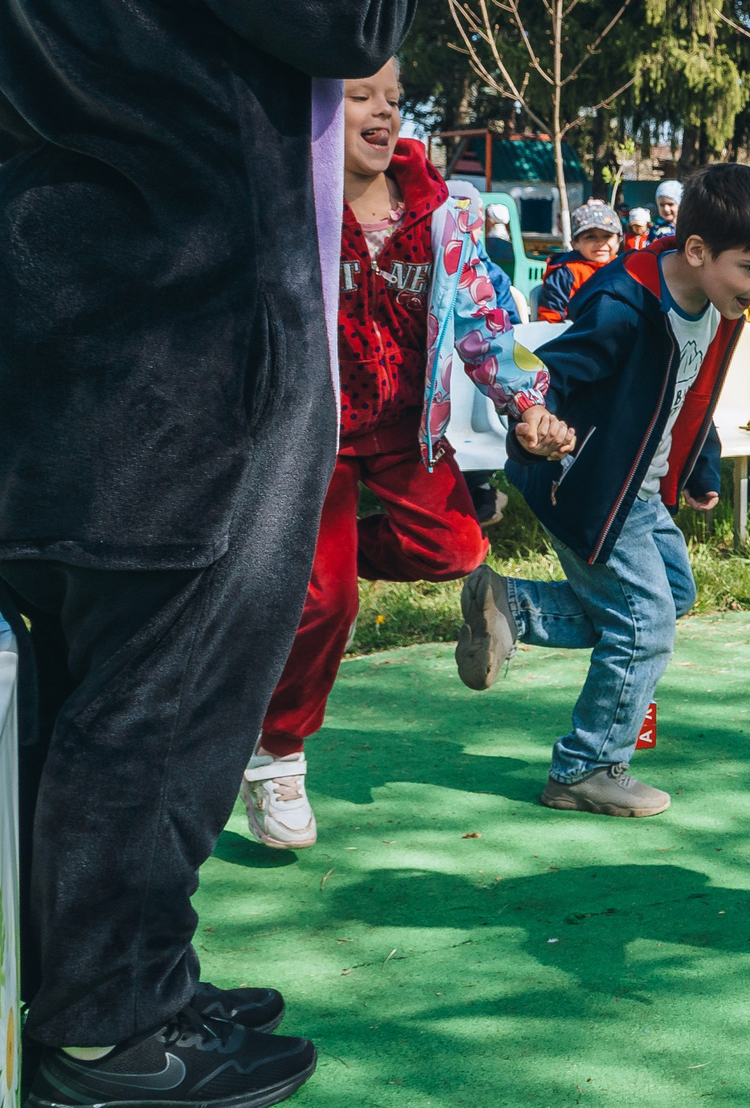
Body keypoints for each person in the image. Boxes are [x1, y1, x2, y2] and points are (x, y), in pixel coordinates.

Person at [0, 0, 423, 1108]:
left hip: (53, 314)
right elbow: (349, 8)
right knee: (161, 698)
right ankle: (108, 1031)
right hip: (183, 326)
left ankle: (119, 982)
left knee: (91, 682)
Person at [240, 64, 568, 849]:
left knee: (458, 547)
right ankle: (276, 752)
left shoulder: (439, 212)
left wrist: (526, 403)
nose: (382, 111)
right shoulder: (287, 202)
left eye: (392, 97)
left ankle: (307, 570)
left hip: (404, 430)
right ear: (320, 110)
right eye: (361, 96)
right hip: (315, 433)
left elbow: (486, 319)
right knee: (330, 603)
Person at [455, 164, 750, 817]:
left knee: (672, 595)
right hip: (590, 485)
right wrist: (537, 422)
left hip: (640, 489)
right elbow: (555, 370)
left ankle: (511, 606)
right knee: (645, 626)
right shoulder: (624, 302)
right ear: (696, 251)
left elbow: (692, 392)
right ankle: (584, 767)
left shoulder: (716, 303)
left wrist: (700, 465)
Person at [536, 201, 624, 322]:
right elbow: (551, 317)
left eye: (607, 236)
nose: (600, 243)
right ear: (575, 244)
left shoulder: (623, 268)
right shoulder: (566, 272)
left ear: (619, 240)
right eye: (590, 237)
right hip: (576, 330)